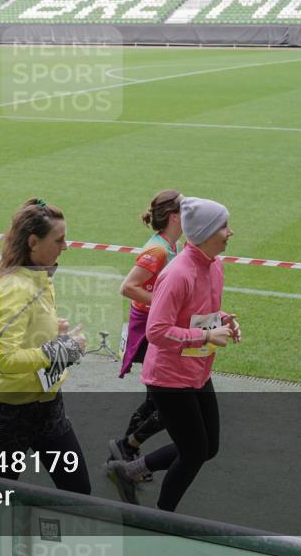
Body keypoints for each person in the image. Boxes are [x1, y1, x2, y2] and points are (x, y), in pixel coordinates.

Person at [105, 196, 240, 509]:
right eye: (224, 226)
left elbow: (201, 313)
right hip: (168, 379)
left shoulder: (215, 267)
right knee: (193, 452)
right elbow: (156, 331)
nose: (230, 232)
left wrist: (224, 321)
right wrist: (206, 335)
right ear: (206, 232)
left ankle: (128, 472)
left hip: (197, 372)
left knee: (208, 448)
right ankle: (163, 521)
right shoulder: (178, 273)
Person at [0, 198, 91, 494]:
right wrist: (61, 351)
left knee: (78, 491)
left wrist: (54, 332)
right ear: (33, 242)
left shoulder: (40, 276)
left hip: (49, 406)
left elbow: (26, 332)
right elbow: (3, 359)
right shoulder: (15, 288)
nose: (64, 246)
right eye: (59, 239)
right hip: (8, 414)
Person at [109, 190, 183, 470]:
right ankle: (124, 448)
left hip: (160, 326)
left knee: (157, 401)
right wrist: (166, 304)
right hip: (150, 330)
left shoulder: (172, 246)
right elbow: (128, 287)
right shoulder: (159, 250)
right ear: (175, 216)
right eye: (185, 207)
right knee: (165, 402)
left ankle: (122, 450)